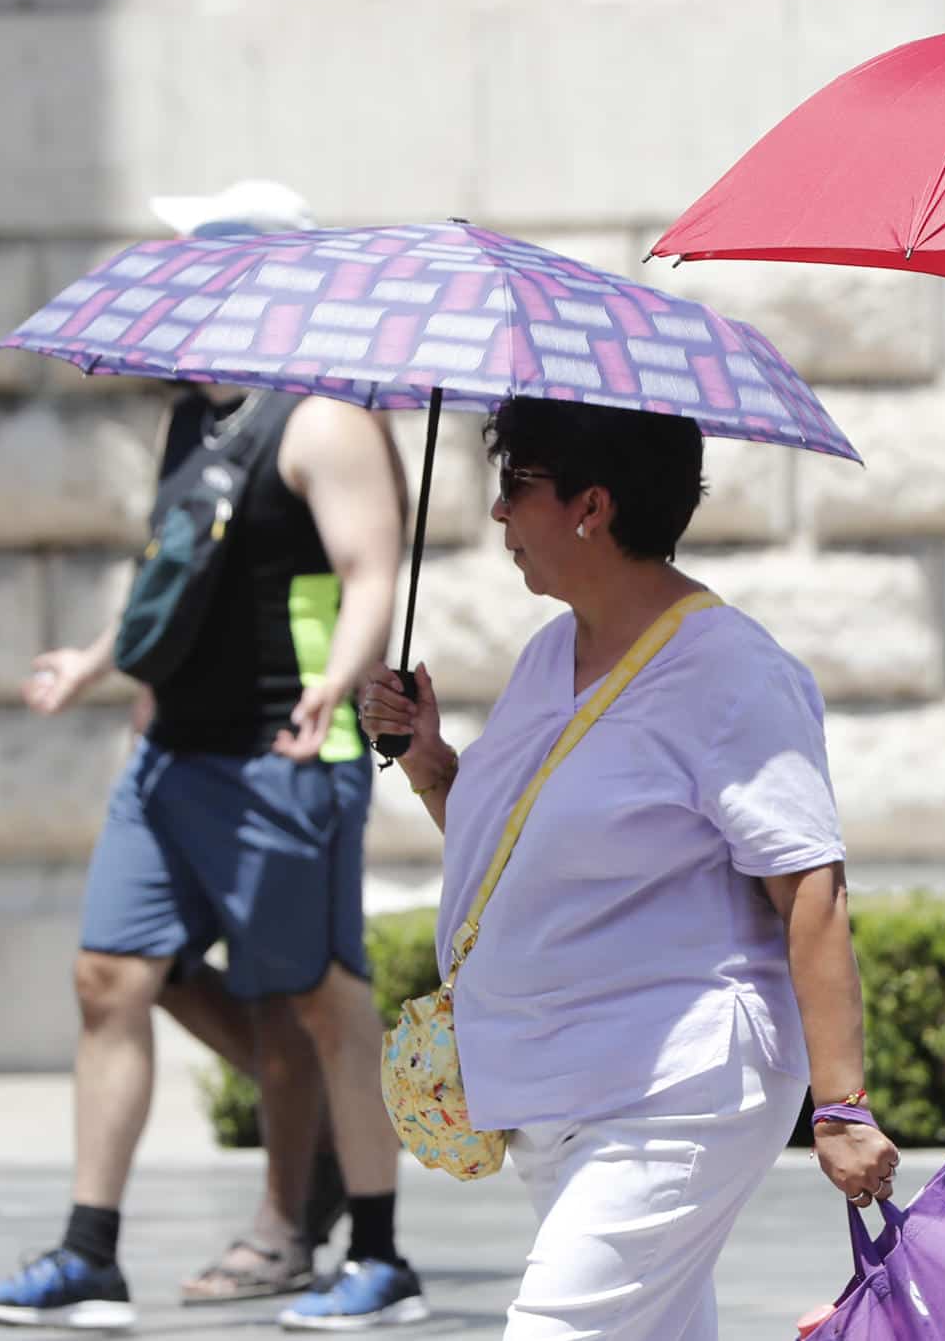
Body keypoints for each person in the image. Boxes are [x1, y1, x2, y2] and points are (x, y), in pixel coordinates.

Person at [0, 193, 427, 1332]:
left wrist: (338, 680)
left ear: (252, 275)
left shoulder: (322, 417)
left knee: (320, 1000)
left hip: (284, 752)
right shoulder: (192, 417)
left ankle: (377, 1254)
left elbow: (371, 569)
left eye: (191, 256)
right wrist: (95, 660)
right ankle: (89, 1252)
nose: (170, 272)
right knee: (110, 978)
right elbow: (173, 575)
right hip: (171, 756)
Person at [358, 397, 899, 1341]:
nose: (498, 511)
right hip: (556, 1087)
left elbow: (810, 886)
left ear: (592, 505)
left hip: (674, 1093)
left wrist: (842, 1105)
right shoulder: (548, 655)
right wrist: (426, 758)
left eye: (515, 483)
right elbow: (515, 852)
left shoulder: (732, 670)